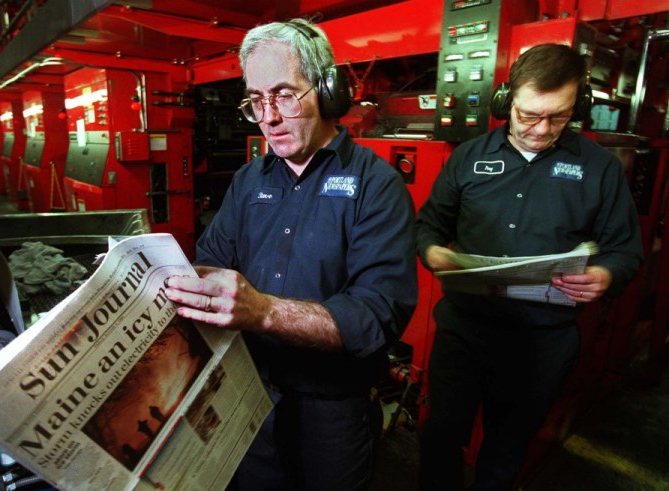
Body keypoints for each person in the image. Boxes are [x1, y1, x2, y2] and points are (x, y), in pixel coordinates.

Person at [163, 18, 418, 490]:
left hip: (332, 413)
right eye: (256, 100)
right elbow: (212, 260)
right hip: (248, 396)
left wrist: (262, 311)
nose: (269, 117)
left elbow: (377, 315)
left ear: (325, 90)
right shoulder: (248, 181)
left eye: (283, 95)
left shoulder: (377, 186)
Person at [415, 43, 643, 490]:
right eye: (528, 115)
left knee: (505, 452)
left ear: (578, 106)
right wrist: (433, 252)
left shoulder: (599, 169)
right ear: (506, 101)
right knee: (440, 438)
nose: (541, 129)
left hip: (543, 345)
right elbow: (427, 226)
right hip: (464, 332)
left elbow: (625, 251)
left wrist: (606, 276)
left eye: (558, 117)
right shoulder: (468, 157)